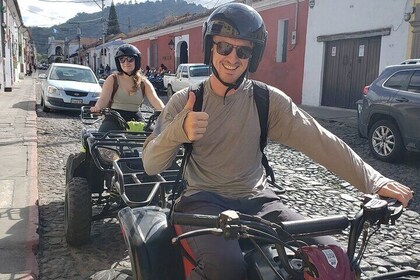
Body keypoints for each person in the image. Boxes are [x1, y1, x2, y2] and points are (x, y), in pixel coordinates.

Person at [142, 3, 413, 280]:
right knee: (226, 268)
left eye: (243, 50)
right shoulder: (186, 101)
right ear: (211, 47)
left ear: (253, 55)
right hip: (203, 199)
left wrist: (375, 181)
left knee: (335, 259)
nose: (232, 58)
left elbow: (321, 140)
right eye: (224, 47)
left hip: (260, 200)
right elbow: (151, 164)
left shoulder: (266, 100)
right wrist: (179, 129)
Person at [91, 44, 164, 132]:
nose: (126, 63)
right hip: (114, 117)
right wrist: (97, 107)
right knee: (101, 139)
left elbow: (155, 100)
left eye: (130, 59)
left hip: (136, 118)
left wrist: (166, 111)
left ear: (136, 61)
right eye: (122, 60)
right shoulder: (112, 79)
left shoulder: (143, 82)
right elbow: (103, 99)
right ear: (118, 62)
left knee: (154, 139)